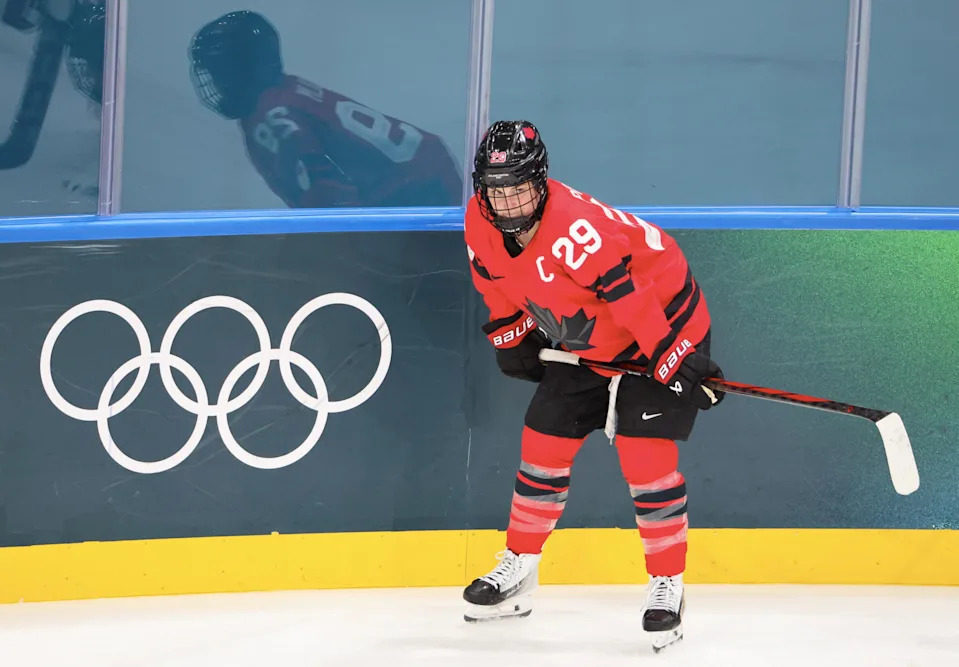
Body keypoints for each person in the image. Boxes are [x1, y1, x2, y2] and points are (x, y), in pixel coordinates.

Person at [462, 120, 724, 652]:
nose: (507, 202)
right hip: (584, 337)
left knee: (646, 461)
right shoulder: (477, 221)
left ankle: (667, 583)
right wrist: (509, 337)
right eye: (496, 188)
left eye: (518, 187)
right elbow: (492, 280)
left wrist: (676, 357)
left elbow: (632, 300)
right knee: (542, 445)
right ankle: (520, 570)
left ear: (541, 181)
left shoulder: (579, 231)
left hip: (661, 324)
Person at [188, 11, 462, 209]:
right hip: (426, 175)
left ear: (240, 69)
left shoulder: (272, 118)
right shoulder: (284, 92)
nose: (215, 82)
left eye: (219, 71)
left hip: (417, 192)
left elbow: (330, 206)